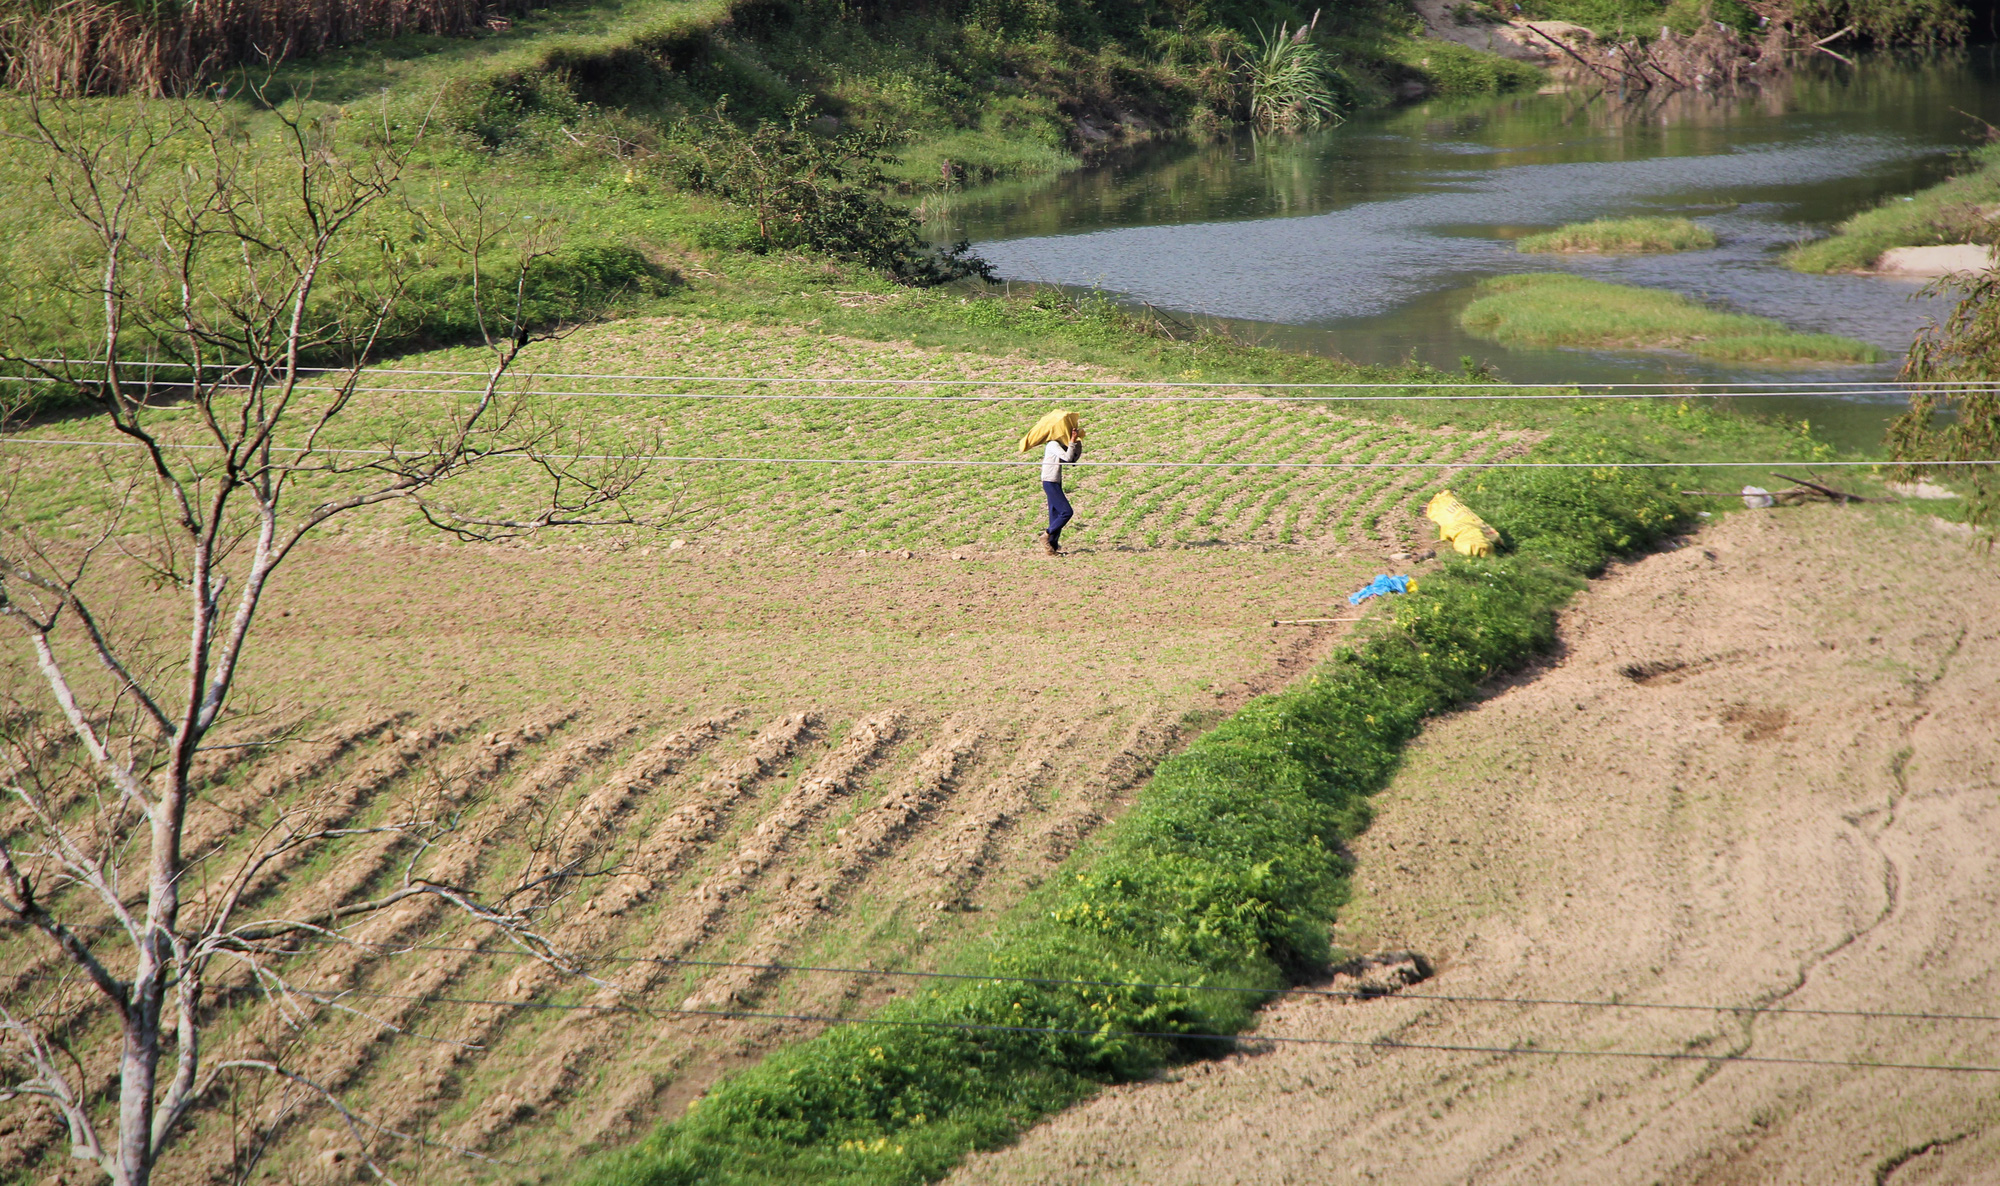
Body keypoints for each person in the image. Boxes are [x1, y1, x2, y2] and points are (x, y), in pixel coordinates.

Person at [1018, 409, 1084, 556]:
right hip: (1050, 482)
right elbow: (1068, 458)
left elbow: (1072, 459)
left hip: (1054, 481)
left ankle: (1052, 548)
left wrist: (1074, 442)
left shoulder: (1056, 445)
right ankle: (1046, 535)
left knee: (1054, 514)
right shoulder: (1053, 445)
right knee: (1066, 512)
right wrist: (1072, 441)